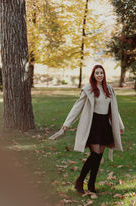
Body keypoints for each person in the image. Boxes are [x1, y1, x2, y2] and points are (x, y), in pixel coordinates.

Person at [50, 65, 124, 194]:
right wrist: (67, 123)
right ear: (93, 75)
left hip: (104, 125)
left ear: (104, 74)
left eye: (101, 73)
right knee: (95, 154)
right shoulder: (88, 90)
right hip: (93, 125)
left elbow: (114, 110)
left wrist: (120, 126)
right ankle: (80, 181)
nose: (100, 75)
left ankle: (91, 185)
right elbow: (77, 107)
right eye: (97, 73)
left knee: (99, 155)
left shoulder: (109, 90)